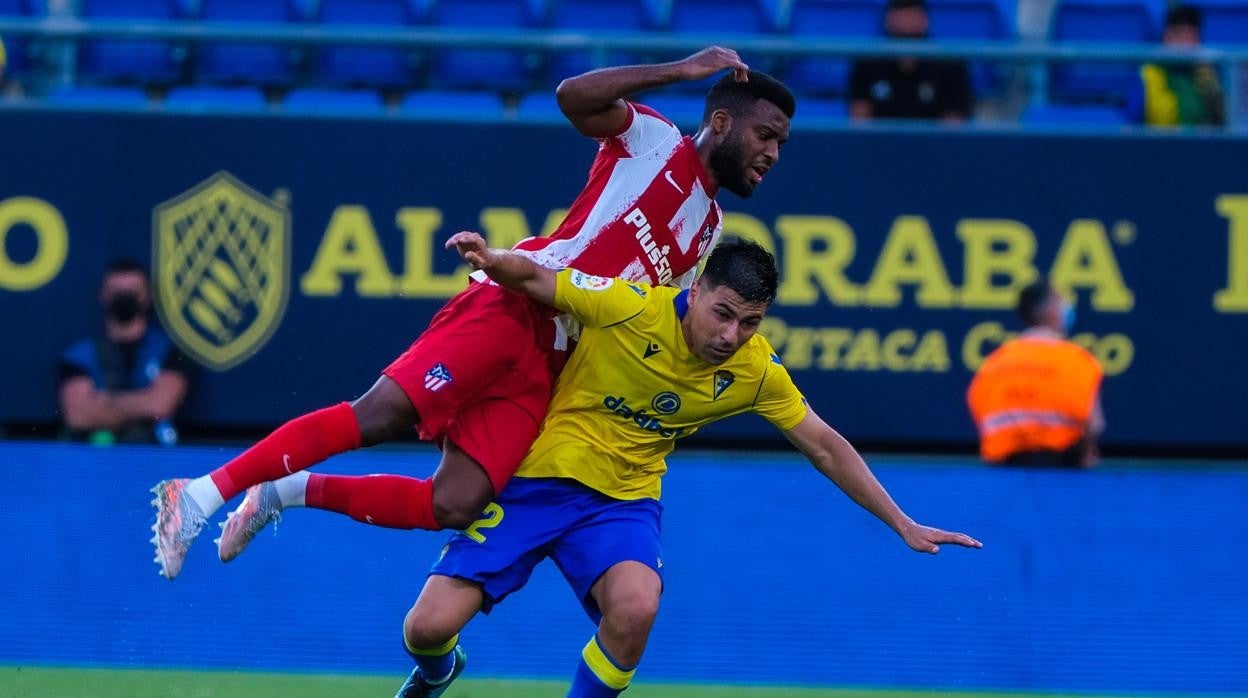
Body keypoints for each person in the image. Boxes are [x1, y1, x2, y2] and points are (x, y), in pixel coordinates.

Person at [220, 235, 982, 698]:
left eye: (750, 322)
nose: (732, 334)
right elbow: (542, 281)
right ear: (696, 294)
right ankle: (436, 670)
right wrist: (491, 262)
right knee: (425, 630)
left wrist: (902, 522)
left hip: (619, 507)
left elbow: (823, 442)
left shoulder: (753, 371)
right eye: (723, 313)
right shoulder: (629, 307)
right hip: (529, 485)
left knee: (638, 607)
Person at [150, 47, 798, 580]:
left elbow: (641, 318)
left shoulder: (710, 229)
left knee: (457, 501)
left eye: (781, 143)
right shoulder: (654, 141)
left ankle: (285, 491)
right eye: (766, 135)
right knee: (377, 416)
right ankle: (200, 492)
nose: (772, 153)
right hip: (513, 306)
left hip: (556, 358)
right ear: (720, 122)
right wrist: (683, 70)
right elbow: (574, 95)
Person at [967, 280, 1105, 468]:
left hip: (1004, 475)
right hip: (1064, 474)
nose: (1067, 307)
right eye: (1061, 301)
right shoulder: (1078, 361)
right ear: (1051, 311)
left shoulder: (994, 364)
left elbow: (980, 415)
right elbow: (1094, 425)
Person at [59, 259, 190, 446]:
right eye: (117, 292)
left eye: (133, 292)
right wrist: (142, 406)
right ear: (103, 295)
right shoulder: (78, 356)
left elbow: (160, 406)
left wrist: (103, 401)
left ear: (148, 296)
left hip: (156, 455)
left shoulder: (169, 351)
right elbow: (78, 416)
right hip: (93, 457)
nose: (124, 297)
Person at [848, 0, 973, 121]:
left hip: (932, 142)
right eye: (900, 31)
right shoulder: (866, 62)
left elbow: (952, 131)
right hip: (880, 142)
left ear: (924, 21)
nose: (906, 25)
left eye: (912, 23)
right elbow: (861, 126)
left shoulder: (951, 64)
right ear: (888, 21)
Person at [1126, 5, 1225, 128]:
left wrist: (1209, 84)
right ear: (1165, 37)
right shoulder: (1147, 76)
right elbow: (1130, 128)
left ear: (1198, 40)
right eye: (1177, 35)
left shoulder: (1210, 74)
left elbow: (1225, 123)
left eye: (1189, 36)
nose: (1183, 43)